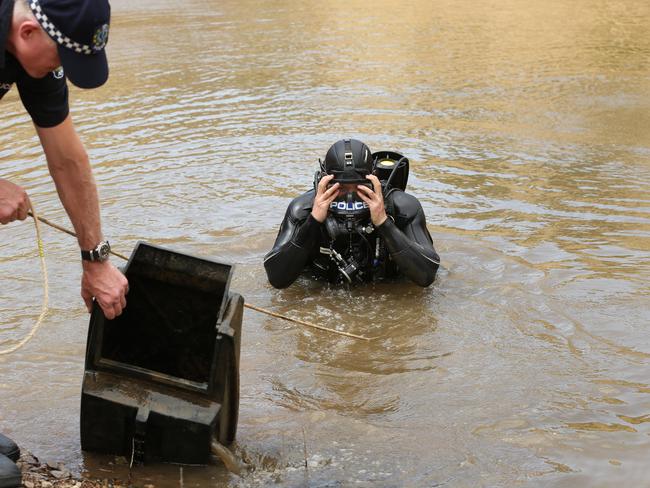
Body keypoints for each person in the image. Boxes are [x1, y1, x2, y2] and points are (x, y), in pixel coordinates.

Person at [1, 0, 128, 484]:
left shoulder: (29, 52)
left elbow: (68, 159)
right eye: (60, 60)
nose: (60, 71)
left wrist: (95, 259)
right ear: (29, 32)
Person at [264, 139, 440, 288]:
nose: (350, 196)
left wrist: (384, 223)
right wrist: (313, 220)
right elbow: (277, 279)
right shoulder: (302, 209)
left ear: (374, 180)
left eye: (358, 187)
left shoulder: (403, 207)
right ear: (325, 181)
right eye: (340, 187)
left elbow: (427, 276)